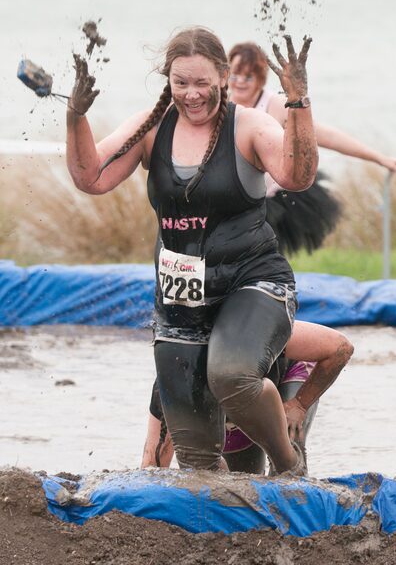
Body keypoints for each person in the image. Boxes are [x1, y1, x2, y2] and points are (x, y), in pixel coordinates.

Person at [65, 26, 325, 473]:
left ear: (223, 76)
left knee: (231, 375)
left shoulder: (249, 125)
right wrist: (75, 118)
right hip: (182, 296)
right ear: (167, 80)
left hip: (254, 283)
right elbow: (92, 178)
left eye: (202, 82)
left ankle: (287, 462)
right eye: (180, 83)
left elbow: (296, 177)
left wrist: (298, 102)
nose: (191, 94)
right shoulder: (151, 128)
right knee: (199, 461)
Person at [227, 42, 396, 255]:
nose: (240, 83)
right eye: (235, 76)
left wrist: (379, 158)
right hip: (233, 193)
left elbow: (326, 136)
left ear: (260, 78)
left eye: (248, 77)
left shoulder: (277, 104)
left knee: (263, 253)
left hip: (271, 198)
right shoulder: (222, 103)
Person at [142, 321, 353, 474]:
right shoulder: (171, 390)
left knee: (286, 465)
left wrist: (300, 404)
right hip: (238, 413)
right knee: (236, 482)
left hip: (285, 387)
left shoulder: (256, 334)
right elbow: (152, 468)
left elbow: (341, 349)